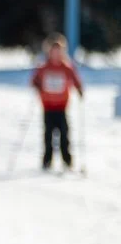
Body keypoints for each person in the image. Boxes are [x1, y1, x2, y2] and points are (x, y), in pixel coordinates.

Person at [30, 33, 84, 171]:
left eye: (58, 51)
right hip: (48, 107)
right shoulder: (43, 68)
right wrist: (37, 85)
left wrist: (79, 88)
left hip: (62, 107)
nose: (56, 54)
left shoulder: (66, 67)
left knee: (64, 135)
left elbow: (75, 78)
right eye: (53, 51)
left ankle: (67, 161)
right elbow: (34, 80)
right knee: (48, 135)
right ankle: (47, 161)